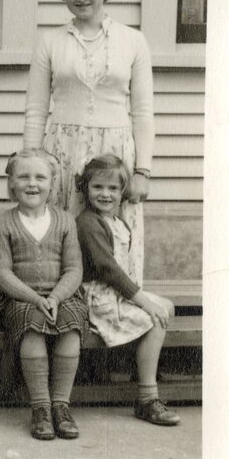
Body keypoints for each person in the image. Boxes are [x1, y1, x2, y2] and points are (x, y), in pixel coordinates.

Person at [23, 0, 154, 286]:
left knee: (112, 231)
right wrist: (31, 162)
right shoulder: (50, 41)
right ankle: (67, 307)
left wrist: (142, 171)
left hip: (115, 149)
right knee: (64, 230)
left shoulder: (133, 40)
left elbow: (142, 111)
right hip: (62, 150)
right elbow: (37, 109)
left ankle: (120, 307)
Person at [75, 154, 179, 426]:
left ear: (123, 192)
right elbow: (108, 270)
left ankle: (143, 368)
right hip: (98, 296)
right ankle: (147, 397)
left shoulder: (116, 220)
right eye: (97, 187)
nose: (105, 194)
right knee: (153, 318)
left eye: (113, 188)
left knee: (166, 306)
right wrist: (143, 301)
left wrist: (144, 299)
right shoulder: (88, 222)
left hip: (115, 291)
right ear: (85, 188)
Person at [0, 149, 85, 441]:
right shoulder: (2, 223)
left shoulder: (66, 220)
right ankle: (40, 407)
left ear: (52, 183)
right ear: (12, 184)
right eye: (24, 177)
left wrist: (55, 297)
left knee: (71, 327)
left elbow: (74, 268)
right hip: (20, 298)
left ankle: (61, 406)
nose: (32, 184)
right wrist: (35, 298)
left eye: (40, 177)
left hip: (62, 296)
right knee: (31, 327)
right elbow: (2, 272)